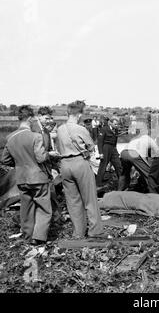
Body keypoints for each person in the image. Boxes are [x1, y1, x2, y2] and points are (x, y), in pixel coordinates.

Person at [1, 105, 59, 245]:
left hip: (21, 178)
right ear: (31, 118)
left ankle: (27, 236)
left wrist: (20, 163)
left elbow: (5, 160)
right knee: (44, 207)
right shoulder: (36, 136)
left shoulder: (10, 137)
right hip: (38, 177)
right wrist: (49, 154)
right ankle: (38, 237)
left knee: (26, 207)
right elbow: (40, 158)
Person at [57, 101, 104, 238]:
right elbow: (90, 146)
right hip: (79, 162)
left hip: (64, 164)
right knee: (90, 199)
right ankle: (95, 231)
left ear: (67, 113)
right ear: (79, 114)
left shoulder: (60, 129)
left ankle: (78, 232)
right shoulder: (81, 129)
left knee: (72, 201)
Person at [96, 116, 123, 189]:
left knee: (118, 165)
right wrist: (101, 153)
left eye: (117, 124)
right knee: (103, 166)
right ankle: (98, 184)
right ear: (110, 123)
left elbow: (115, 142)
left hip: (113, 149)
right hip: (106, 148)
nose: (117, 126)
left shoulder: (116, 130)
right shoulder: (104, 129)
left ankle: (122, 183)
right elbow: (100, 142)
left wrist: (116, 151)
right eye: (115, 124)